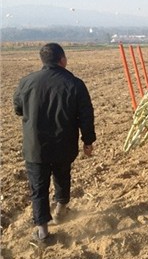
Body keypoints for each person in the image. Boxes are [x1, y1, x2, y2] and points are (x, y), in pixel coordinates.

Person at [13, 43, 96, 242]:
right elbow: (86, 116)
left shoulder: (26, 82)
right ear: (62, 59)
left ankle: (42, 232)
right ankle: (60, 210)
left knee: (38, 188)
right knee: (62, 176)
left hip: (35, 147)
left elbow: (18, 109)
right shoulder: (75, 84)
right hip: (63, 144)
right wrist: (88, 141)